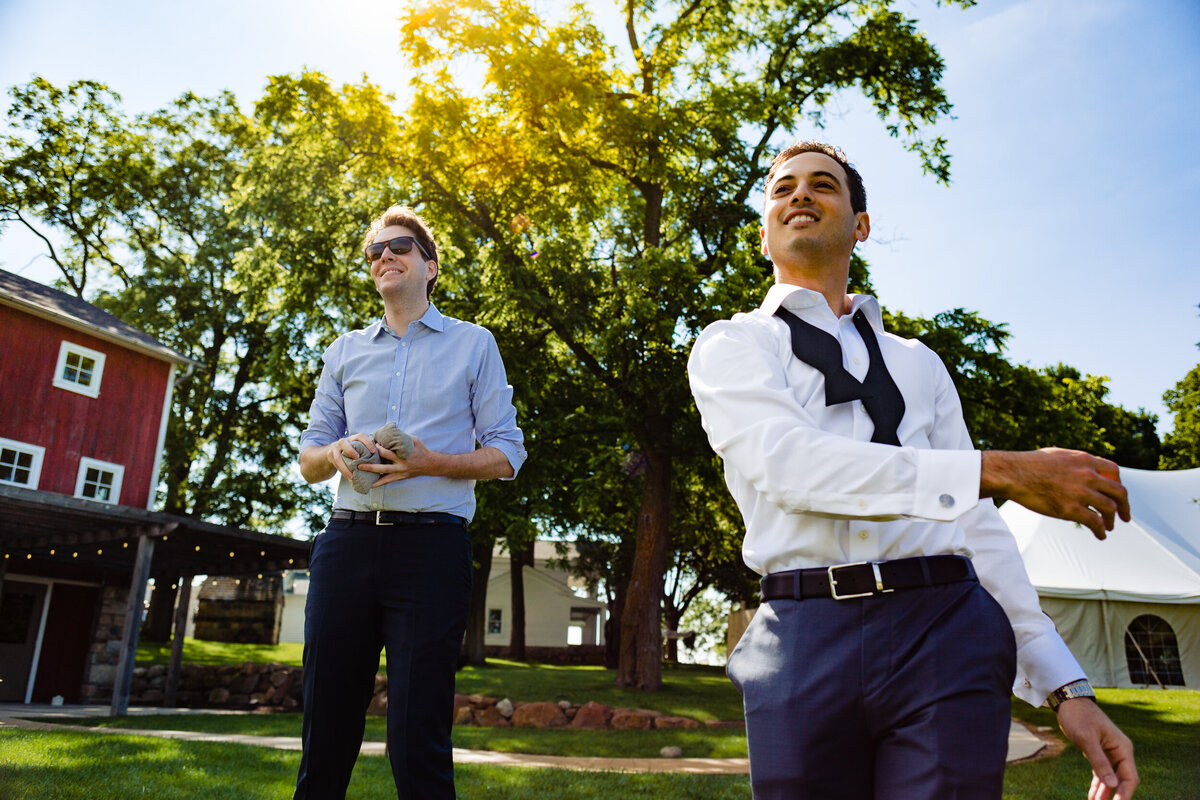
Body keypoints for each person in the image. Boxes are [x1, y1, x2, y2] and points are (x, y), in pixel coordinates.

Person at [687, 142, 1138, 800]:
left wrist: (1064, 686)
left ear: (861, 225)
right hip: (803, 633)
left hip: (947, 627)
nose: (800, 196)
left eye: (823, 185)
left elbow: (976, 525)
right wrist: (1001, 469)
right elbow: (790, 466)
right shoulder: (732, 346)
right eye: (782, 190)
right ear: (763, 235)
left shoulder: (919, 363)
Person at [294, 205, 526, 799]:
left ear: (430, 264)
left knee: (416, 735)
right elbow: (308, 459)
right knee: (325, 732)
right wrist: (338, 453)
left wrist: (429, 462)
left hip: (432, 549)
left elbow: (506, 453)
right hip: (346, 543)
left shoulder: (475, 345)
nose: (383, 257)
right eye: (374, 252)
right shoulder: (344, 350)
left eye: (398, 246)